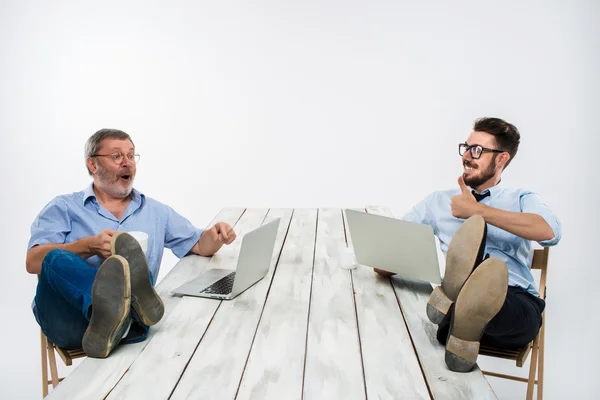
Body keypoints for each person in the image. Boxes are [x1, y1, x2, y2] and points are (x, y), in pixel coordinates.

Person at [26, 129, 237, 358]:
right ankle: (112, 313)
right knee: (55, 258)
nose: (127, 163)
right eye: (117, 156)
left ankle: (125, 321)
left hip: (124, 329)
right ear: (93, 165)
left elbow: (198, 244)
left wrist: (215, 236)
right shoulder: (64, 207)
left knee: (133, 270)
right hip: (71, 320)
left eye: (131, 155)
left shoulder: (155, 211)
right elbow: (33, 261)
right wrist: (87, 246)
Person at [376, 117, 561, 372]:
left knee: (485, 293)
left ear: (501, 159)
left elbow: (549, 231)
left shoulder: (522, 198)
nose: (467, 156)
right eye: (466, 147)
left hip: (512, 305)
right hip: (451, 316)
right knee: (451, 311)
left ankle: (464, 293)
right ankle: (459, 291)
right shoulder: (438, 201)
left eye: (477, 150)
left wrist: (478, 211)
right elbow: (393, 246)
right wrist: (384, 261)